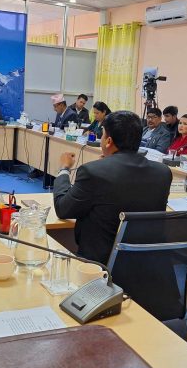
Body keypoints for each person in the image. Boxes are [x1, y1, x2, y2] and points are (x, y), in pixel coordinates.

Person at [53, 111, 172, 264]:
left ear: (108, 141)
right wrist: (107, 163)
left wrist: (64, 169)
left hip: (100, 264)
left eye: (102, 135)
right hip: (147, 262)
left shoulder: (93, 172)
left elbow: (63, 209)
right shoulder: (163, 172)